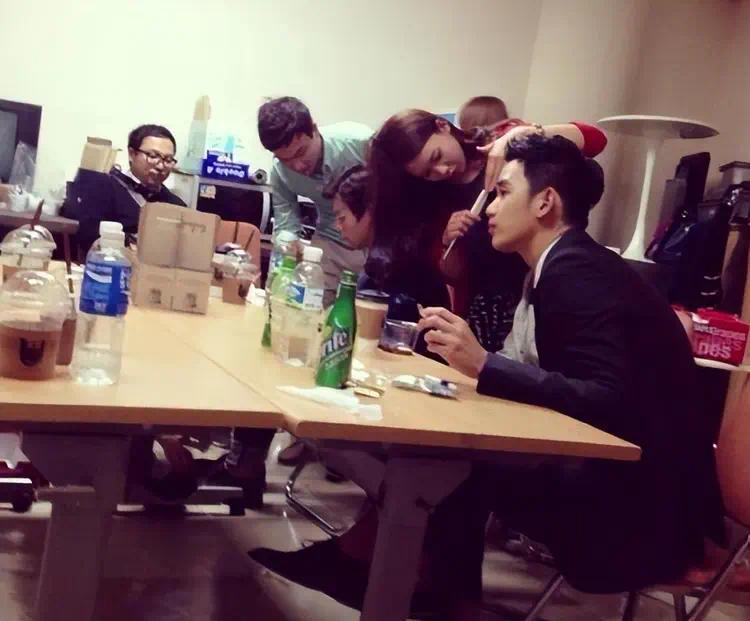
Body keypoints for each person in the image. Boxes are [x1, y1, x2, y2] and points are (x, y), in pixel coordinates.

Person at [415, 134, 723, 616]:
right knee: (446, 452)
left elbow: (607, 398)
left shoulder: (575, 271)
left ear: (545, 202)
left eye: (503, 192)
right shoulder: (561, 264)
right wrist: (471, 362)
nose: (490, 207)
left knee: (449, 464)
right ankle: (436, 593)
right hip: (634, 488)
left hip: (639, 513)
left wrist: (486, 365)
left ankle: (437, 598)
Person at [367, 108, 606, 351]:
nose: (441, 171)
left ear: (443, 126)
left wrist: (522, 136)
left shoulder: (503, 146)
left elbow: (596, 139)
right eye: (428, 173)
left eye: (437, 156)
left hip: (542, 283)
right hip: (490, 306)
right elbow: (455, 274)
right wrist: (448, 241)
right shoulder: (436, 198)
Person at [258, 96, 372, 305]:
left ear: (314, 128)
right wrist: (287, 246)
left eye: (301, 152)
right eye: (285, 159)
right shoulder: (280, 172)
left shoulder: (361, 142)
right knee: (305, 309)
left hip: (378, 245)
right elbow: (286, 225)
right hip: (330, 243)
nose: (298, 166)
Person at [67, 124, 185, 253]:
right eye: (152, 156)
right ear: (132, 154)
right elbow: (87, 237)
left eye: (168, 160)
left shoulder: (177, 206)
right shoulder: (103, 188)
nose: (160, 166)